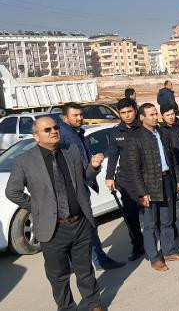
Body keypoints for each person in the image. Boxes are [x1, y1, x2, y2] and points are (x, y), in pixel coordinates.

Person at [6, 116, 105, 311]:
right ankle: (67, 308)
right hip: (52, 230)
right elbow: (12, 192)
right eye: (47, 129)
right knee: (59, 276)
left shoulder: (71, 150)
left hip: (80, 223)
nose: (53, 131)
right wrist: (37, 207)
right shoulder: (25, 161)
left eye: (55, 127)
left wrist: (93, 167)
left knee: (85, 269)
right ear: (36, 136)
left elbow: (85, 177)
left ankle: (93, 303)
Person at [59, 102, 125, 271]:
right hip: (75, 189)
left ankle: (90, 261)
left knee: (86, 226)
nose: (80, 118)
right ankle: (95, 261)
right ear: (65, 118)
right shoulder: (64, 137)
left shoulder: (77, 133)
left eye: (80, 115)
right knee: (86, 227)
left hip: (81, 185)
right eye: (75, 115)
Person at [127, 103, 179, 271]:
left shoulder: (163, 133)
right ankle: (154, 257)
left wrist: (178, 178)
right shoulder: (135, 137)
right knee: (150, 224)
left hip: (167, 180)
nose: (155, 117)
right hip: (149, 186)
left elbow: (172, 158)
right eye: (151, 115)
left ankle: (169, 251)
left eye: (156, 114)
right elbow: (134, 169)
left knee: (167, 220)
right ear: (142, 117)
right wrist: (142, 192)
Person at [105, 98, 145, 261]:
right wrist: (109, 177)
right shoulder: (116, 132)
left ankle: (161, 239)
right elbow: (113, 155)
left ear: (135, 110)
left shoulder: (144, 128)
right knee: (131, 217)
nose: (127, 116)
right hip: (126, 181)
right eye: (123, 113)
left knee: (151, 215)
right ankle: (137, 246)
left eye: (129, 112)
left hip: (146, 178)